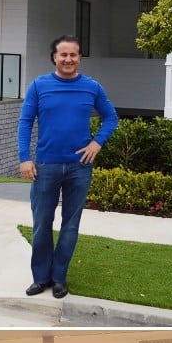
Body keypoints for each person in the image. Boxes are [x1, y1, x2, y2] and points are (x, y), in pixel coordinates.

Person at [17, 35, 118, 298]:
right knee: (41, 223)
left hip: (79, 167)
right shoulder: (39, 86)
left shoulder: (92, 88)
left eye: (73, 55)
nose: (68, 59)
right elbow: (25, 122)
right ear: (54, 57)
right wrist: (24, 158)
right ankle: (41, 278)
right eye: (63, 55)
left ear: (80, 58)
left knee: (70, 225)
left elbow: (111, 118)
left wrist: (97, 143)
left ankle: (59, 277)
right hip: (45, 166)